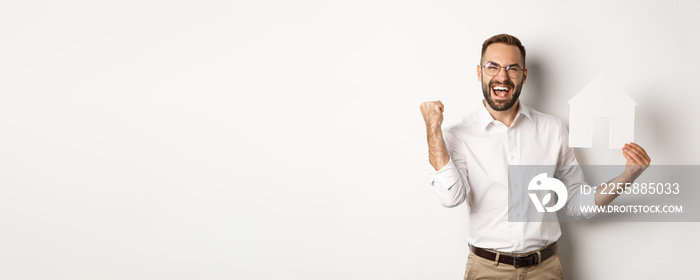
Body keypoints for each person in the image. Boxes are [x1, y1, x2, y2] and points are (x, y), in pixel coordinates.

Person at [419, 34, 651, 280]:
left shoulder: (553, 129)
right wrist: (433, 129)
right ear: (479, 73)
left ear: (524, 76)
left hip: (545, 270)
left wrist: (628, 175)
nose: (502, 76)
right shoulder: (459, 136)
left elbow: (577, 203)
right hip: (487, 270)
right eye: (493, 67)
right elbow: (450, 197)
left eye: (512, 68)